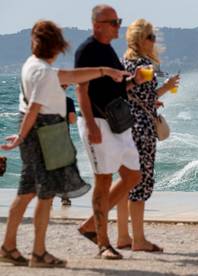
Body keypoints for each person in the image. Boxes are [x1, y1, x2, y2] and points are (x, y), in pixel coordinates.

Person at [0, 20, 127, 268]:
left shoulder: (33, 65)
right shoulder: (42, 72)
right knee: (45, 196)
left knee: (26, 193)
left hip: (39, 133)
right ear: (57, 46)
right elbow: (35, 107)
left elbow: (67, 76)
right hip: (45, 135)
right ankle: (38, 253)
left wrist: (105, 70)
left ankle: (8, 246)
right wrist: (22, 137)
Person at [74, 4, 147, 260]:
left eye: (118, 21)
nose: (118, 26)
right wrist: (91, 125)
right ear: (97, 25)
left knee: (132, 175)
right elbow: (80, 89)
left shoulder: (108, 50)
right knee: (103, 180)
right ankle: (103, 243)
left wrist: (134, 81)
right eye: (113, 22)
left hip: (118, 122)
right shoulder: (87, 50)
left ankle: (90, 225)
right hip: (97, 122)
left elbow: (114, 87)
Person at [119, 18, 179, 252]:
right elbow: (143, 93)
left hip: (125, 126)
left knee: (125, 181)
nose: (154, 42)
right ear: (140, 40)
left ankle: (123, 236)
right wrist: (158, 92)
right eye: (150, 37)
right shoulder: (144, 64)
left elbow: (137, 94)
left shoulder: (124, 62)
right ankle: (139, 239)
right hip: (142, 129)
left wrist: (164, 88)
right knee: (140, 181)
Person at [61, 94, 77, 207]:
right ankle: (65, 198)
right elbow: (72, 120)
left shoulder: (44, 98)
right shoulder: (68, 100)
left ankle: (48, 199)